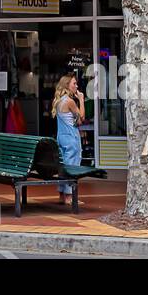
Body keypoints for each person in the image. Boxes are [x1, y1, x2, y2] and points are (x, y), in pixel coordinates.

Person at [52, 74, 85, 202]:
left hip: (61, 137)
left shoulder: (58, 101)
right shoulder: (70, 101)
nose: (76, 86)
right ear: (67, 85)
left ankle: (62, 195)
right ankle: (69, 196)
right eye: (74, 84)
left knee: (63, 166)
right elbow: (81, 118)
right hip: (72, 137)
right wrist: (81, 100)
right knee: (72, 166)